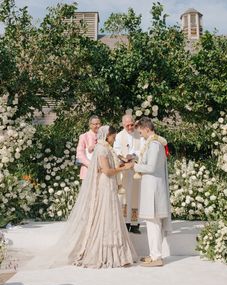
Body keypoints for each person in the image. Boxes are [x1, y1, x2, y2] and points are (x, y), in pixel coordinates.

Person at [28, 125, 138, 269]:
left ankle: (116, 251)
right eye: (113, 137)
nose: (114, 139)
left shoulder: (106, 148)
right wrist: (124, 168)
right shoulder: (102, 149)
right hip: (106, 185)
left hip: (110, 184)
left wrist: (124, 163)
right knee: (105, 214)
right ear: (107, 136)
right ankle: (103, 252)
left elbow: (106, 166)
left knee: (111, 215)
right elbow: (106, 171)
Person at [131, 117, 171, 267]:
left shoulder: (154, 145)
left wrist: (134, 166)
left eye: (141, 131)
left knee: (153, 222)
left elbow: (151, 167)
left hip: (153, 189)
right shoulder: (152, 143)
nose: (140, 134)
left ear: (147, 129)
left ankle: (157, 257)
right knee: (151, 222)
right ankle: (154, 254)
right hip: (151, 187)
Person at [113, 114, 143, 234]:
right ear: (123, 124)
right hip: (125, 169)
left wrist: (134, 155)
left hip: (136, 169)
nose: (130, 127)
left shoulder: (139, 134)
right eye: (127, 125)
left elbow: (143, 149)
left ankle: (135, 224)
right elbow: (116, 150)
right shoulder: (119, 136)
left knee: (136, 196)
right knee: (124, 196)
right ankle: (125, 223)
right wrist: (124, 157)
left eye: (131, 124)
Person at [76, 115, 101, 180]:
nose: (98, 126)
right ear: (90, 125)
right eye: (95, 124)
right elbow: (80, 155)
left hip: (101, 172)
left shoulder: (103, 137)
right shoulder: (84, 136)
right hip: (87, 172)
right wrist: (91, 165)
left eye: (99, 124)